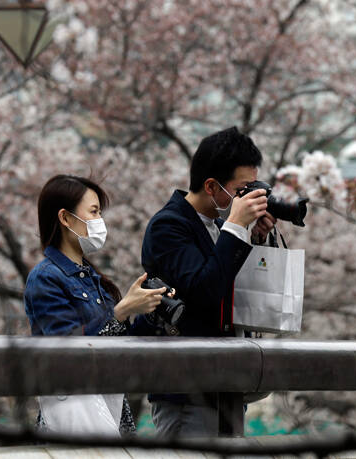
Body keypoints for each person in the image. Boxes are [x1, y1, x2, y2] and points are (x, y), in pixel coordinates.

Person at [136, 126, 275, 437]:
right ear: (212, 186)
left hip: (227, 388)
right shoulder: (168, 226)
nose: (249, 198)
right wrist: (237, 227)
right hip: (188, 393)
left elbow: (239, 293)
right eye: (242, 190)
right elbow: (206, 291)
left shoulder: (222, 226)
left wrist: (253, 238)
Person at [24, 174, 171, 435]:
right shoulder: (45, 278)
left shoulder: (93, 279)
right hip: (74, 409)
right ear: (66, 218)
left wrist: (151, 310)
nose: (100, 221)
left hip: (108, 401)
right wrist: (123, 309)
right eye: (93, 212)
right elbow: (66, 347)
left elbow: (117, 342)